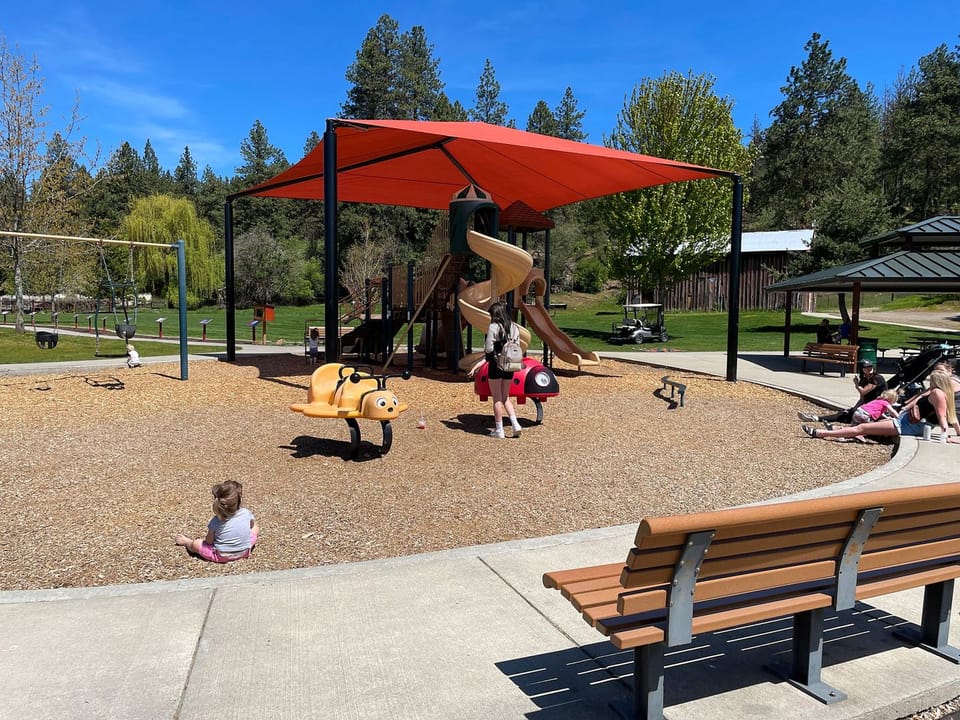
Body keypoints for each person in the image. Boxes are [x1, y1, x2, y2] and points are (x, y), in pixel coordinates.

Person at [802, 371, 960, 442]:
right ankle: (833, 430)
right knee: (865, 427)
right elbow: (952, 418)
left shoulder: (938, 394)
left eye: (931, 380)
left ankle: (820, 433)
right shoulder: (939, 393)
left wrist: (945, 437)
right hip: (907, 422)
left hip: (909, 425)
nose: (929, 383)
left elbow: (944, 418)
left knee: (862, 428)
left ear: (937, 382)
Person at [176, 480, 260, 563]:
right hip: (244, 551)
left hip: (222, 556)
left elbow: (209, 541)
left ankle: (187, 542)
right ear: (239, 500)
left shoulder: (216, 521)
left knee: (196, 543)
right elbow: (251, 526)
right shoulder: (246, 512)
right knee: (255, 528)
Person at [797, 358, 887, 426]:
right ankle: (816, 418)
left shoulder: (877, 378)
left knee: (847, 416)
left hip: (876, 406)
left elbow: (863, 392)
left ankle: (818, 419)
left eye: (870, 366)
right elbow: (862, 398)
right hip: (867, 405)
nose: (869, 368)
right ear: (862, 369)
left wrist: (856, 385)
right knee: (844, 413)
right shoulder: (864, 380)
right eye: (866, 367)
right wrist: (854, 407)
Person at [482, 300, 523, 439]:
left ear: (494, 314)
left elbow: (488, 348)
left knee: (497, 399)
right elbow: (517, 345)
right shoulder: (514, 327)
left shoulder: (494, 327)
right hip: (510, 365)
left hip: (496, 364)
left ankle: (499, 429)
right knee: (506, 398)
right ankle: (515, 424)